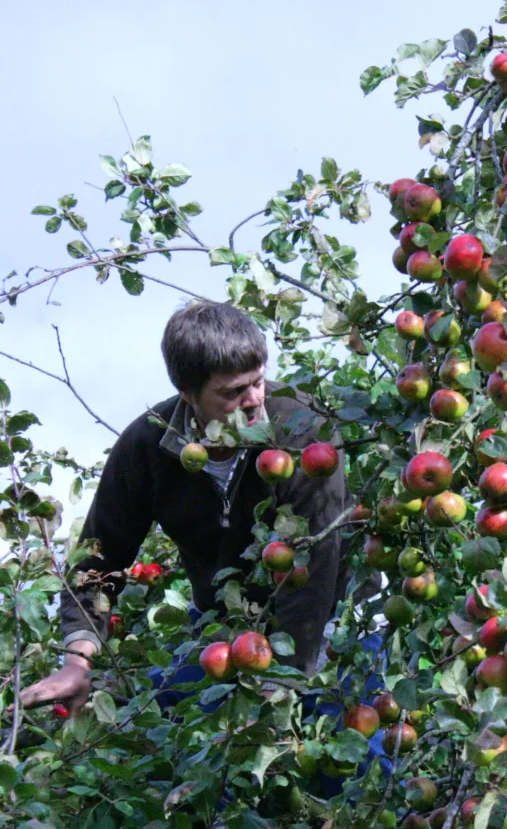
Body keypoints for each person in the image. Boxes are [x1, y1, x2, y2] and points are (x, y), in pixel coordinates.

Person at [19, 300, 359, 716]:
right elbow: (99, 559)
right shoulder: (146, 447)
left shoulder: (303, 431)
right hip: (222, 630)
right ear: (187, 393)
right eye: (233, 392)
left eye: (258, 381)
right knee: (154, 722)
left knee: (345, 746)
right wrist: (77, 659)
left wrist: (278, 691)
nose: (255, 399)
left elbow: (313, 568)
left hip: (326, 622)